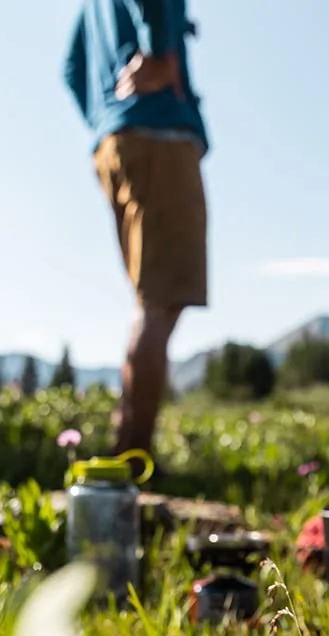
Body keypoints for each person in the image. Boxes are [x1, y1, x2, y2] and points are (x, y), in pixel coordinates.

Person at [64, 1, 209, 458]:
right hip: (159, 136)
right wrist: (161, 56)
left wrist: (105, 115)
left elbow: (71, 68)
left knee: (153, 300)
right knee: (160, 301)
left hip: (117, 142)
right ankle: (132, 459)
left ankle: (127, 448)